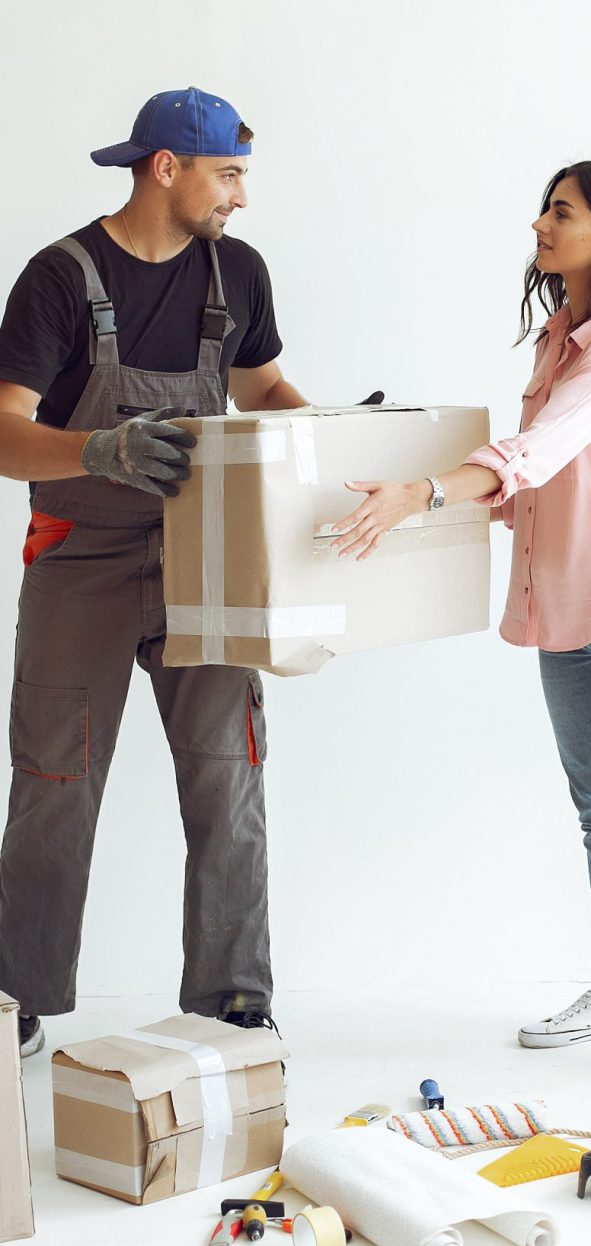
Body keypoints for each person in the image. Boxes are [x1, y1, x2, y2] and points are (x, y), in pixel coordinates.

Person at [330, 161, 591, 1094]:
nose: (540, 223)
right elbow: (535, 487)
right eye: (544, 209)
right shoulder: (561, 339)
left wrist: (427, 490)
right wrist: (416, 500)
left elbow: (538, 452)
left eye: (562, 212)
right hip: (564, 605)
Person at [0, 87, 309, 1057]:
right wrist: (96, 451)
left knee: (229, 776)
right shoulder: (59, 277)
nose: (241, 197)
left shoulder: (238, 274)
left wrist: (337, 438)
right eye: (229, 175)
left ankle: (230, 1002)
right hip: (80, 560)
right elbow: (6, 431)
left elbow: (263, 393)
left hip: (207, 558)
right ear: (165, 168)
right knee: (55, 778)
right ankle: (18, 999)